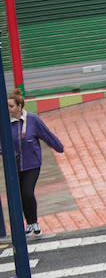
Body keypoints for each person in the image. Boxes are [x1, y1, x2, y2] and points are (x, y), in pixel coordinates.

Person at [7, 88, 63, 237]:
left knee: (27, 193)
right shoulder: (5, 123)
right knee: (20, 195)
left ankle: (34, 222)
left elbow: (47, 135)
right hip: (14, 167)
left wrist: (59, 147)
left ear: (19, 107)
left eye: (11, 106)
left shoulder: (32, 120)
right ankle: (29, 223)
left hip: (32, 164)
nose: (8, 109)